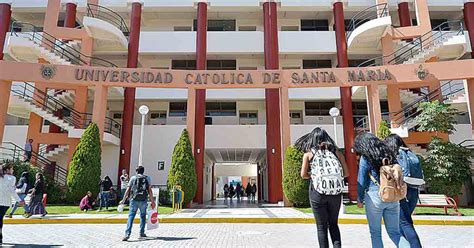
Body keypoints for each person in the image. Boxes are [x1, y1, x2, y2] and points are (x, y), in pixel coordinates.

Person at [354, 132, 409, 248]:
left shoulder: (366, 158)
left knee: (375, 233)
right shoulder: (390, 154)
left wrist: (359, 198)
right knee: (395, 233)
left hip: (374, 197)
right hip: (392, 196)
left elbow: (362, 180)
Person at [296, 127, 348, 248]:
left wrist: (314, 175)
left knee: (321, 227)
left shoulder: (309, 154)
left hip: (317, 193)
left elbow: (303, 175)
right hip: (335, 193)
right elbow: (346, 173)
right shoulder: (337, 153)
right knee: (333, 224)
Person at [385, 134, 423, 248]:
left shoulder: (396, 154)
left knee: (405, 223)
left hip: (402, 191)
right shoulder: (409, 153)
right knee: (402, 223)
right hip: (414, 190)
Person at [120, 165, 156, 241]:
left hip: (134, 200)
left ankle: (127, 234)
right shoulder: (147, 178)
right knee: (143, 216)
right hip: (143, 200)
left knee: (131, 216)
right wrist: (152, 201)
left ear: (136, 171)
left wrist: (123, 200)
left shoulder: (133, 178)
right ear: (143, 171)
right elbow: (150, 191)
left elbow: (128, 190)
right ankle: (142, 232)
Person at [0, 163, 24, 244]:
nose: (13, 170)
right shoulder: (11, 178)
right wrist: (19, 200)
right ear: (7, 170)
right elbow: (11, 191)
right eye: (11, 169)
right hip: (5, 202)